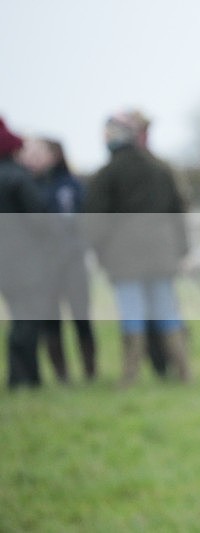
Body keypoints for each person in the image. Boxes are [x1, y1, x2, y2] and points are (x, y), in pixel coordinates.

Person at [84, 110, 190, 386]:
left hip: (124, 257)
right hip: (162, 253)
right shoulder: (159, 168)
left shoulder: (106, 174)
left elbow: (96, 221)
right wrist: (181, 250)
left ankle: (129, 376)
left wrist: (100, 253)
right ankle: (183, 372)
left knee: (132, 313)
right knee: (168, 312)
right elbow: (177, 210)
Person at [20, 136, 97, 382]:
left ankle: (89, 372)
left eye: (37, 152)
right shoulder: (26, 185)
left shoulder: (71, 186)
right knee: (50, 322)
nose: (31, 157)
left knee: (81, 317)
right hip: (43, 265)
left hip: (72, 261)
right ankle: (61, 375)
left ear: (54, 155)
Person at [0, 118, 52, 389]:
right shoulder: (18, 177)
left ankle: (18, 377)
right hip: (22, 261)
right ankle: (25, 378)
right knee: (27, 319)